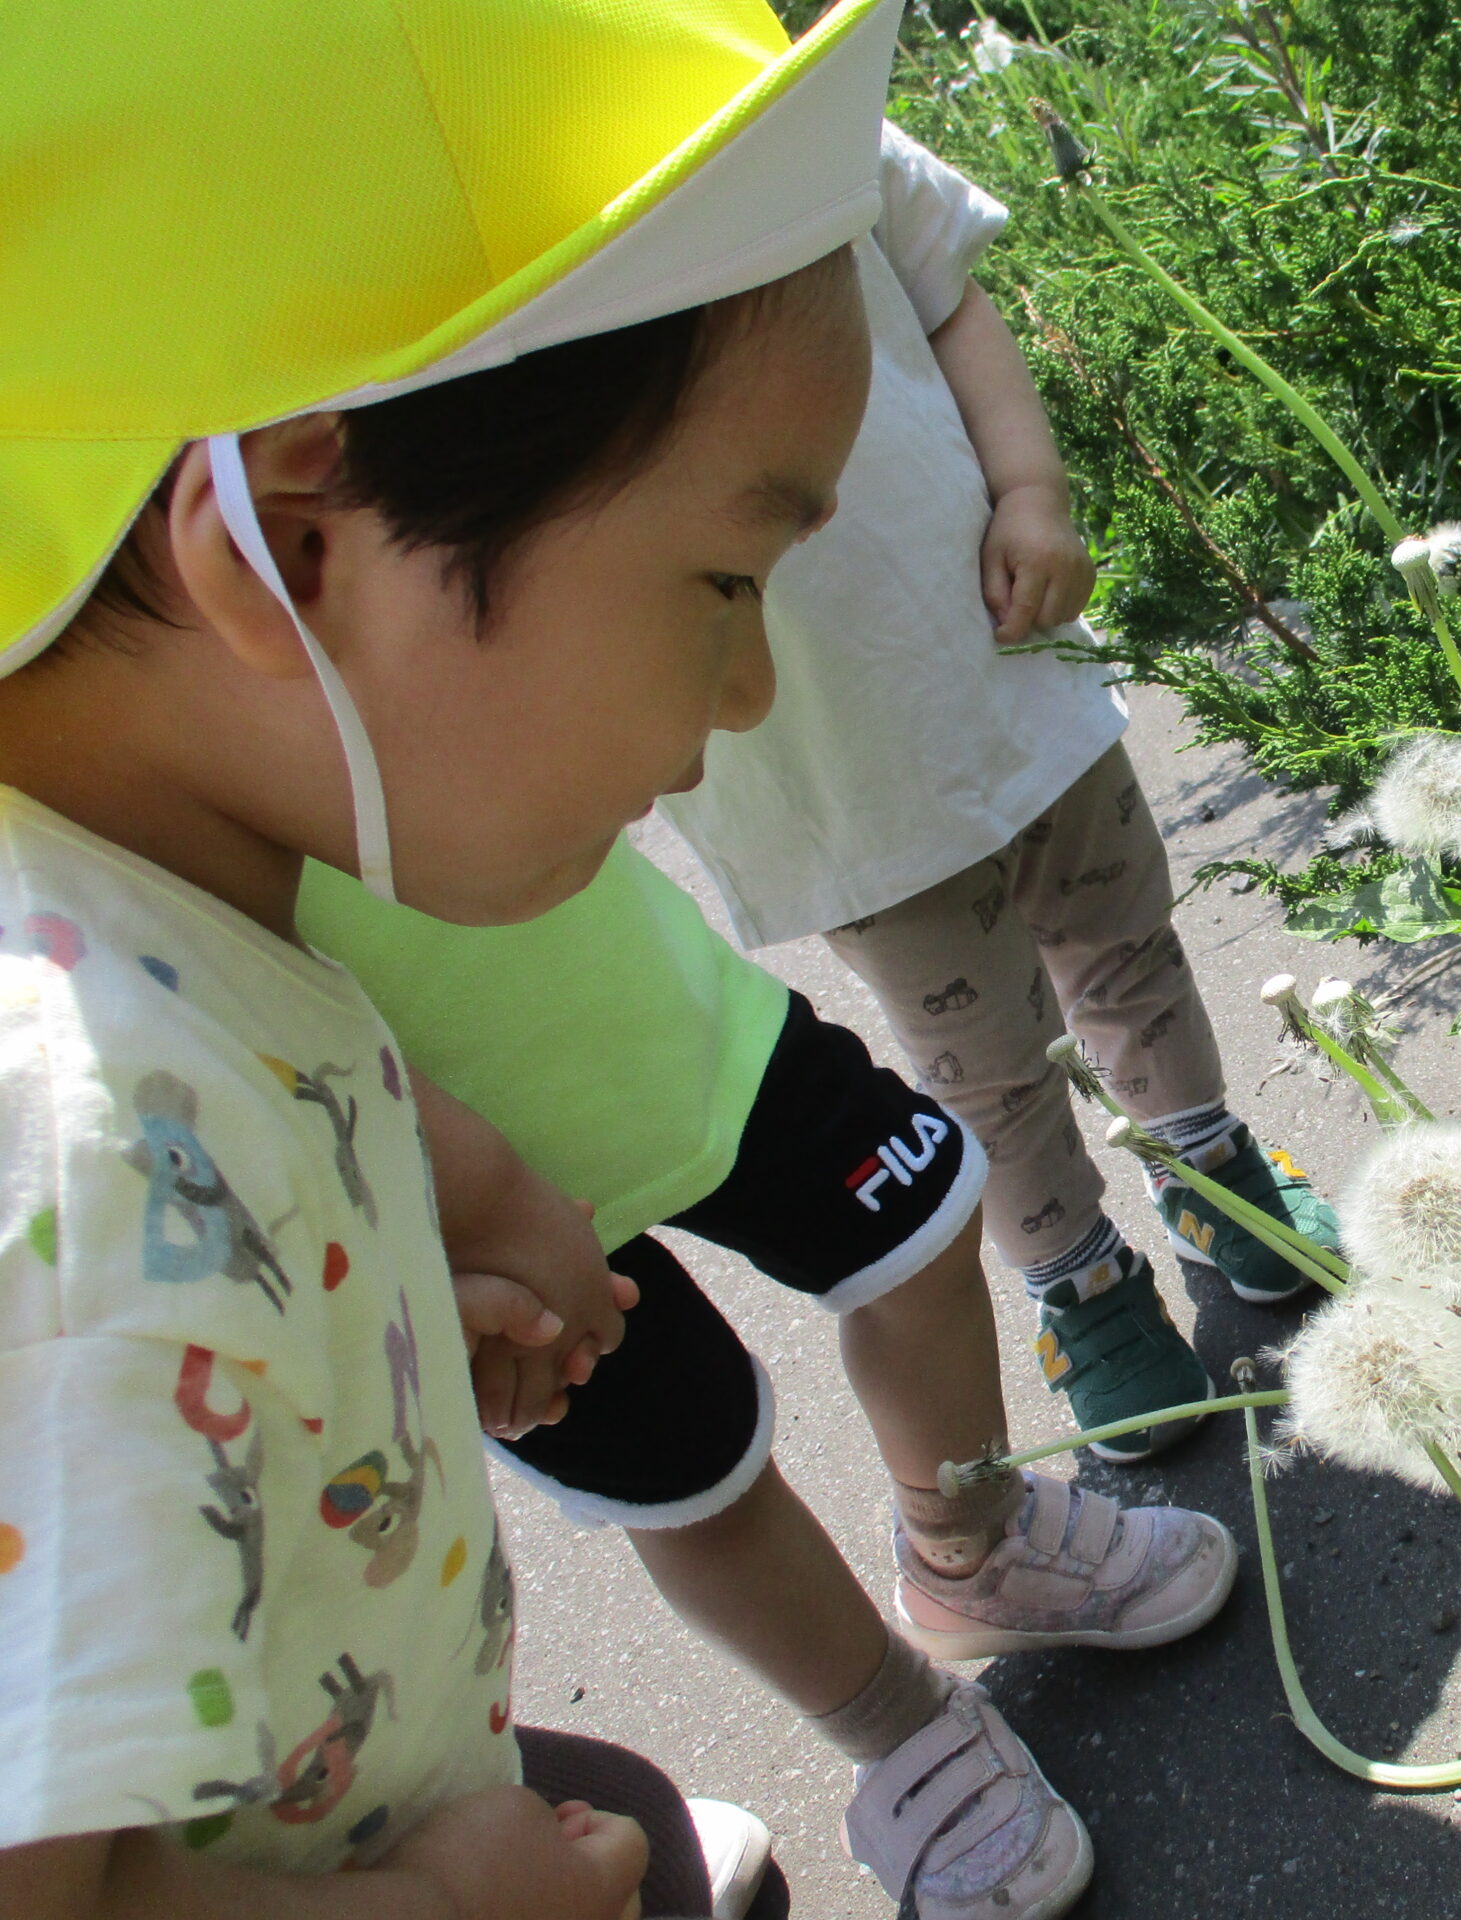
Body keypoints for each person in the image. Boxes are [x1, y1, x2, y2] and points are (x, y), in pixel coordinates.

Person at [0, 2, 973, 1916]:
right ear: (292, 533)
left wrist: (341, 1342)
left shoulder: (169, 956)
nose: (752, 689)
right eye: (723, 580)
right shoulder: (82, 1154)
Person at [655, 123, 1346, 1456]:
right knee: (987, 1064)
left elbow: (948, 294)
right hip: (821, 764)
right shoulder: (502, 247)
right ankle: (1081, 1282)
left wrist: (1031, 484)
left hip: (999, 645)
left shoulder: (797, 101)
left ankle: (1208, 1167)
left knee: (1125, 946)